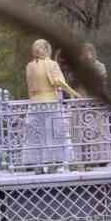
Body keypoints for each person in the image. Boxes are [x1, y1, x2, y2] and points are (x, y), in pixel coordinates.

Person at [25, 39, 75, 171]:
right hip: (50, 102)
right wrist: (72, 93)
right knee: (54, 134)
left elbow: (30, 88)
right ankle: (54, 164)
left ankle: (38, 166)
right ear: (47, 50)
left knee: (37, 135)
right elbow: (58, 82)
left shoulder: (30, 66)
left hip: (35, 104)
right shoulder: (52, 64)